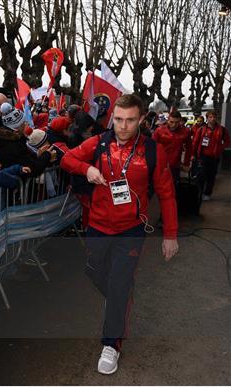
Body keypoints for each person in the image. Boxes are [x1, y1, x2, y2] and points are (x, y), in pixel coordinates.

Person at [60, 94, 178, 375]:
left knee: (120, 283)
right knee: (94, 271)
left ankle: (111, 343)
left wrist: (170, 235)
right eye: (118, 119)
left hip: (131, 230)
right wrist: (87, 168)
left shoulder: (152, 150)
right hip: (98, 225)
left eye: (130, 120)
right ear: (112, 117)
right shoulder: (99, 143)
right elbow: (67, 159)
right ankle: (117, 296)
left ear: (141, 120)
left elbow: (167, 194)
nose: (123, 126)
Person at [192, 110, 230, 201]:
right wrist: (193, 155)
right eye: (210, 117)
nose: (212, 119)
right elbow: (195, 143)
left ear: (217, 118)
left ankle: (207, 193)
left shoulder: (222, 130)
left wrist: (221, 147)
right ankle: (199, 192)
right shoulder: (201, 129)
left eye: (214, 117)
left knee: (211, 176)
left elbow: (227, 141)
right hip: (203, 156)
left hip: (215, 157)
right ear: (207, 118)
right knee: (201, 175)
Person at [153, 111, 192, 185]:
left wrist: (186, 163)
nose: (174, 125)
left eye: (177, 122)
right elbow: (151, 148)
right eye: (171, 122)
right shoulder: (159, 131)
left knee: (173, 187)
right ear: (168, 120)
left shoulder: (185, 131)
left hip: (175, 165)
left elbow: (189, 148)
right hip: (160, 165)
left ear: (180, 121)